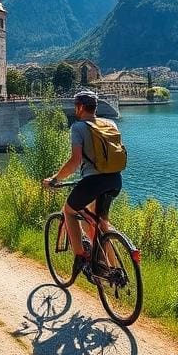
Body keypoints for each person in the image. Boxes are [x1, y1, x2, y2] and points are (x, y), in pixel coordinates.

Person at [42, 90, 123, 278]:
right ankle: (113, 269)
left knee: (69, 211)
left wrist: (55, 179)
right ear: (95, 107)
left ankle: (81, 256)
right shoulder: (110, 124)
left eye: (75, 106)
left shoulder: (79, 127)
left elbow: (75, 161)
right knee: (101, 223)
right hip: (115, 180)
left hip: (93, 182)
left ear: (79, 107)